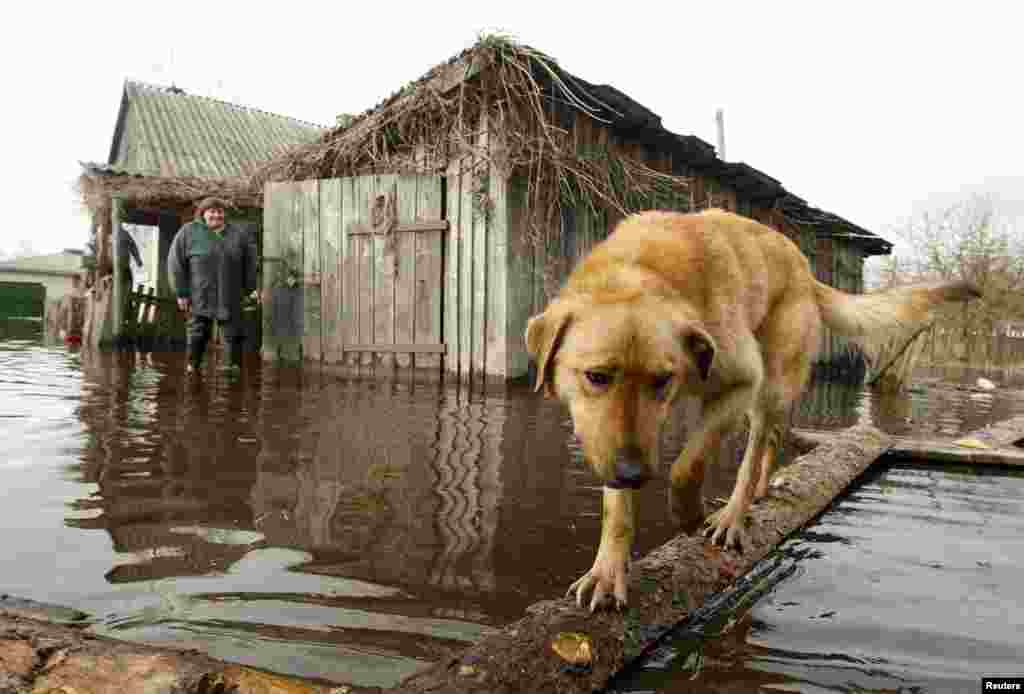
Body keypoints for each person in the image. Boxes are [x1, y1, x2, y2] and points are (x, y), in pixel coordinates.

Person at [167, 197, 258, 375]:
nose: (216, 215)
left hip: (230, 293)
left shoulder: (238, 233)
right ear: (203, 213)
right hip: (200, 293)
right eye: (212, 211)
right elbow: (175, 263)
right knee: (197, 333)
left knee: (233, 335)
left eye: (220, 211)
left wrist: (250, 288)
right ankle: (193, 368)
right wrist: (181, 292)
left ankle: (233, 370)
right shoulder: (189, 232)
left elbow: (250, 262)